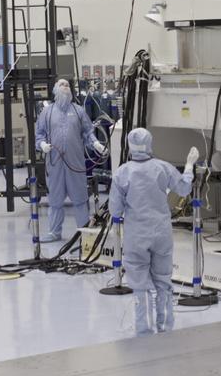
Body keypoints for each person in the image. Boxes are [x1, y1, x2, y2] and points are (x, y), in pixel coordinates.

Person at [109, 129, 196, 335]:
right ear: (150, 144)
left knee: (140, 284)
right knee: (163, 281)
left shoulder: (122, 173)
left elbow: (115, 210)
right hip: (161, 233)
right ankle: (165, 327)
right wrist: (190, 165)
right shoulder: (163, 168)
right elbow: (184, 189)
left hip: (136, 236)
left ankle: (145, 331)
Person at [35, 79, 105, 242]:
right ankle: (54, 232)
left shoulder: (79, 111)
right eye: (61, 85)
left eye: (67, 85)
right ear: (55, 90)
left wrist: (95, 143)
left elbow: (88, 132)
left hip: (75, 163)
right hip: (54, 163)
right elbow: (39, 134)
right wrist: (42, 144)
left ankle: (84, 231)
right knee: (55, 199)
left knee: (80, 198)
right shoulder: (47, 112)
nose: (65, 87)